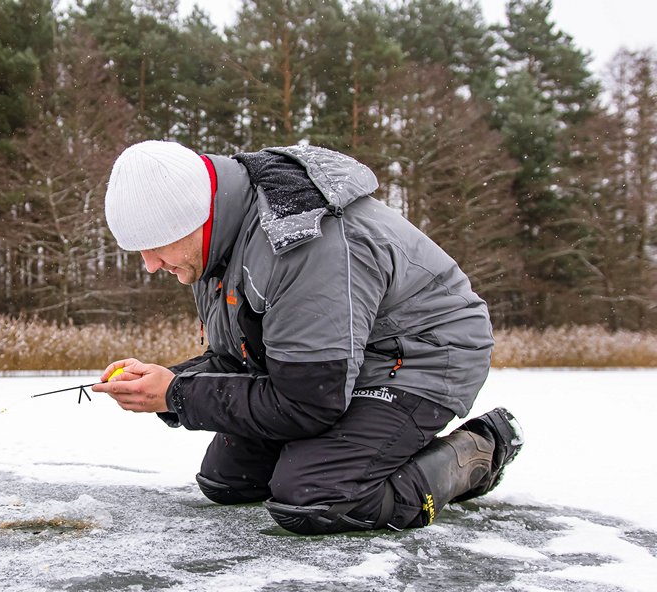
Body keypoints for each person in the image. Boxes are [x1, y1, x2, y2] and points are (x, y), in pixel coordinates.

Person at [92, 140, 523, 535]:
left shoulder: (300, 240)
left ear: (198, 217)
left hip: (417, 357)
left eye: (156, 245)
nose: (150, 265)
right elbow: (240, 358)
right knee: (230, 482)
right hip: (336, 368)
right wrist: (168, 379)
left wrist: (178, 395)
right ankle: (362, 444)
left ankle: (477, 450)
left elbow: (310, 402)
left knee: (319, 497)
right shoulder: (214, 248)